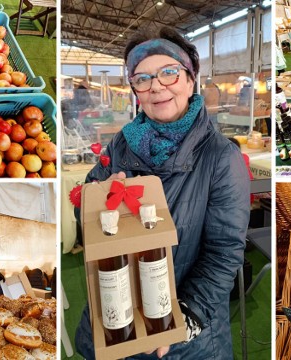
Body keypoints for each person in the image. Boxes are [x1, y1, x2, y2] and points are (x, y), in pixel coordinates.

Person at [74, 26, 250, 359]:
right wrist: (95, 202)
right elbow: (85, 216)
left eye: (168, 73)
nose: (156, 87)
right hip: (118, 320)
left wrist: (184, 318)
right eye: (142, 79)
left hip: (186, 342)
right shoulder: (122, 143)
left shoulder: (220, 157)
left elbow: (224, 253)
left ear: (189, 79)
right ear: (135, 91)